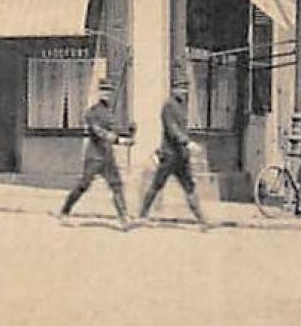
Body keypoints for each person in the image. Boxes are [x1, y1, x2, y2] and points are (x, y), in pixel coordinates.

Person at [138, 76, 209, 228]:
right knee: (157, 185)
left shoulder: (181, 106)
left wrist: (186, 147)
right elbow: (172, 130)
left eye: (185, 88)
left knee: (189, 186)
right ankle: (142, 215)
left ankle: (202, 219)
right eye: (180, 88)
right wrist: (187, 142)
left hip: (181, 157)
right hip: (169, 155)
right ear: (173, 90)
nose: (183, 92)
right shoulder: (168, 106)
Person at [59, 78, 131, 227]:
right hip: (94, 156)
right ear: (99, 93)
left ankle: (124, 218)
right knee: (83, 185)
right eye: (104, 91)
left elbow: (115, 129)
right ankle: (64, 211)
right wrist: (119, 141)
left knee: (116, 185)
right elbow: (99, 132)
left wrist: (128, 132)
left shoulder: (110, 113)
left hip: (107, 156)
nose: (107, 94)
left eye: (109, 91)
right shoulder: (91, 112)